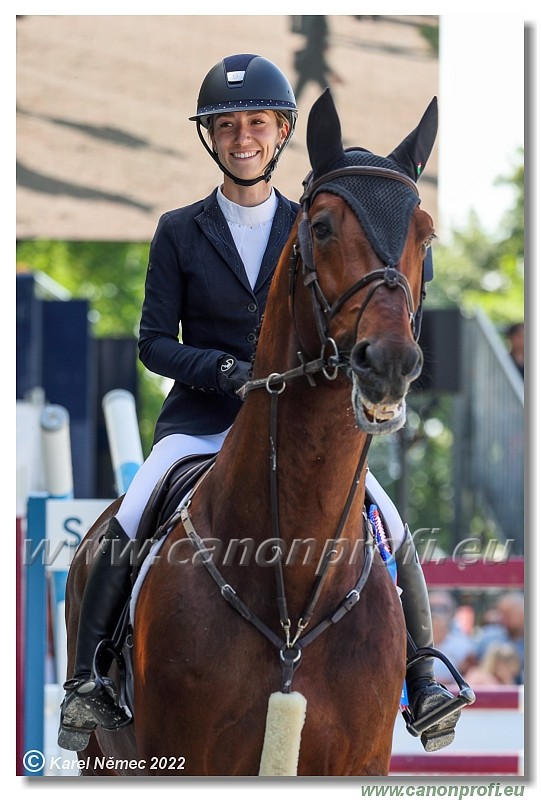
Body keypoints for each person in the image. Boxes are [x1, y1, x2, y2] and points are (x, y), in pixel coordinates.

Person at [58, 53, 461, 754]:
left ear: (280, 135)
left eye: (257, 124)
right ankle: (89, 678)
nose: (242, 137)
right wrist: (221, 370)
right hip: (202, 424)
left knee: (387, 517)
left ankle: (424, 672)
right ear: (210, 137)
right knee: (132, 507)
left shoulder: (315, 224)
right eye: (227, 125)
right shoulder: (179, 229)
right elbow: (155, 342)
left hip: (298, 428)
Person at [428, 590, 476, 685]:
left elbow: (469, 676)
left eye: (442, 609)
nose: (436, 614)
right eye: (432, 608)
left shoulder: (463, 645)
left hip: (453, 695)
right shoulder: (414, 642)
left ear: (452, 611)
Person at [293, 16, 343, 103]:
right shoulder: (317, 26)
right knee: (328, 95)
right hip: (311, 65)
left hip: (309, 64)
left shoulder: (315, 24)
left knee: (297, 95)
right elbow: (315, 54)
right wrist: (332, 73)